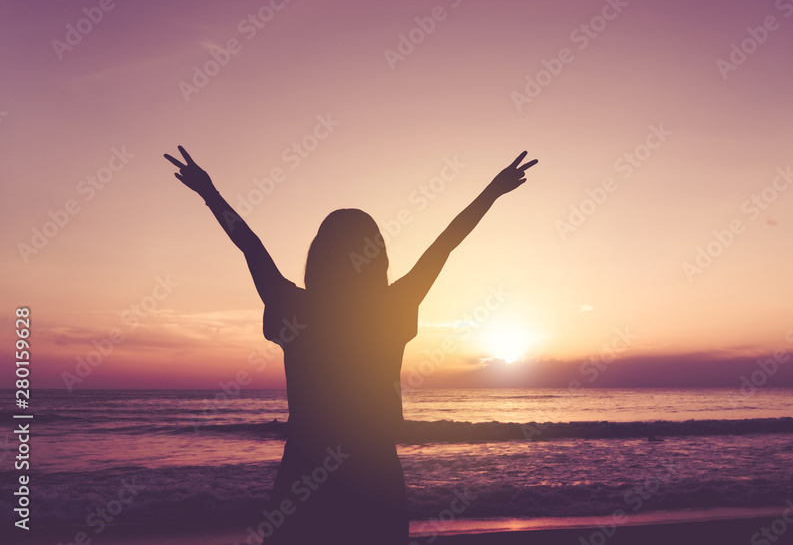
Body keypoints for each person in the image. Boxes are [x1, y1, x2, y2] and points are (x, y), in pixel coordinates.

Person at [164, 146, 538, 543]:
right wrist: (491, 193)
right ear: (378, 256)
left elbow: (250, 246)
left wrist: (209, 193)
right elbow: (443, 245)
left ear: (319, 256)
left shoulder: (294, 306)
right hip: (375, 475)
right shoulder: (392, 306)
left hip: (303, 474)